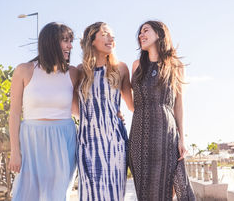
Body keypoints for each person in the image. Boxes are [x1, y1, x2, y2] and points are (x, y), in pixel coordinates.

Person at [9, 22, 78, 201]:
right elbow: (15, 113)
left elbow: (80, 109)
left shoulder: (73, 73)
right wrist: (15, 151)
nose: (70, 46)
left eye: (71, 41)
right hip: (31, 139)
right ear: (50, 42)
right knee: (25, 194)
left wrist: (113, 112)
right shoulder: (24, 70)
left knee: (57, 195)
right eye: (65, 40)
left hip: (64, 140)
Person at [129, 20, 195, 200]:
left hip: (165, 134)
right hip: (139, 135)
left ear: (159, 33)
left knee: (168, 188)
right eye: (139, 33)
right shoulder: (136, 66)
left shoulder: (176, 66)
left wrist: (182, 138)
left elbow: (179, 105)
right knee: (145, 191)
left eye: (145, 31)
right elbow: (131, 100)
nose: (141, 35)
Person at [76, 22, 133, 200]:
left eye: (112, 35)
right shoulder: (80, 71)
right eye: (105, 34)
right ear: (92, 40)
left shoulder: (120, 68)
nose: (111, 37)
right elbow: (72, 106)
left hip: (114, 141)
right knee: (90, 195)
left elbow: (132, 106)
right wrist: (94, 116)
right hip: (87, 142)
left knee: (114, 194)